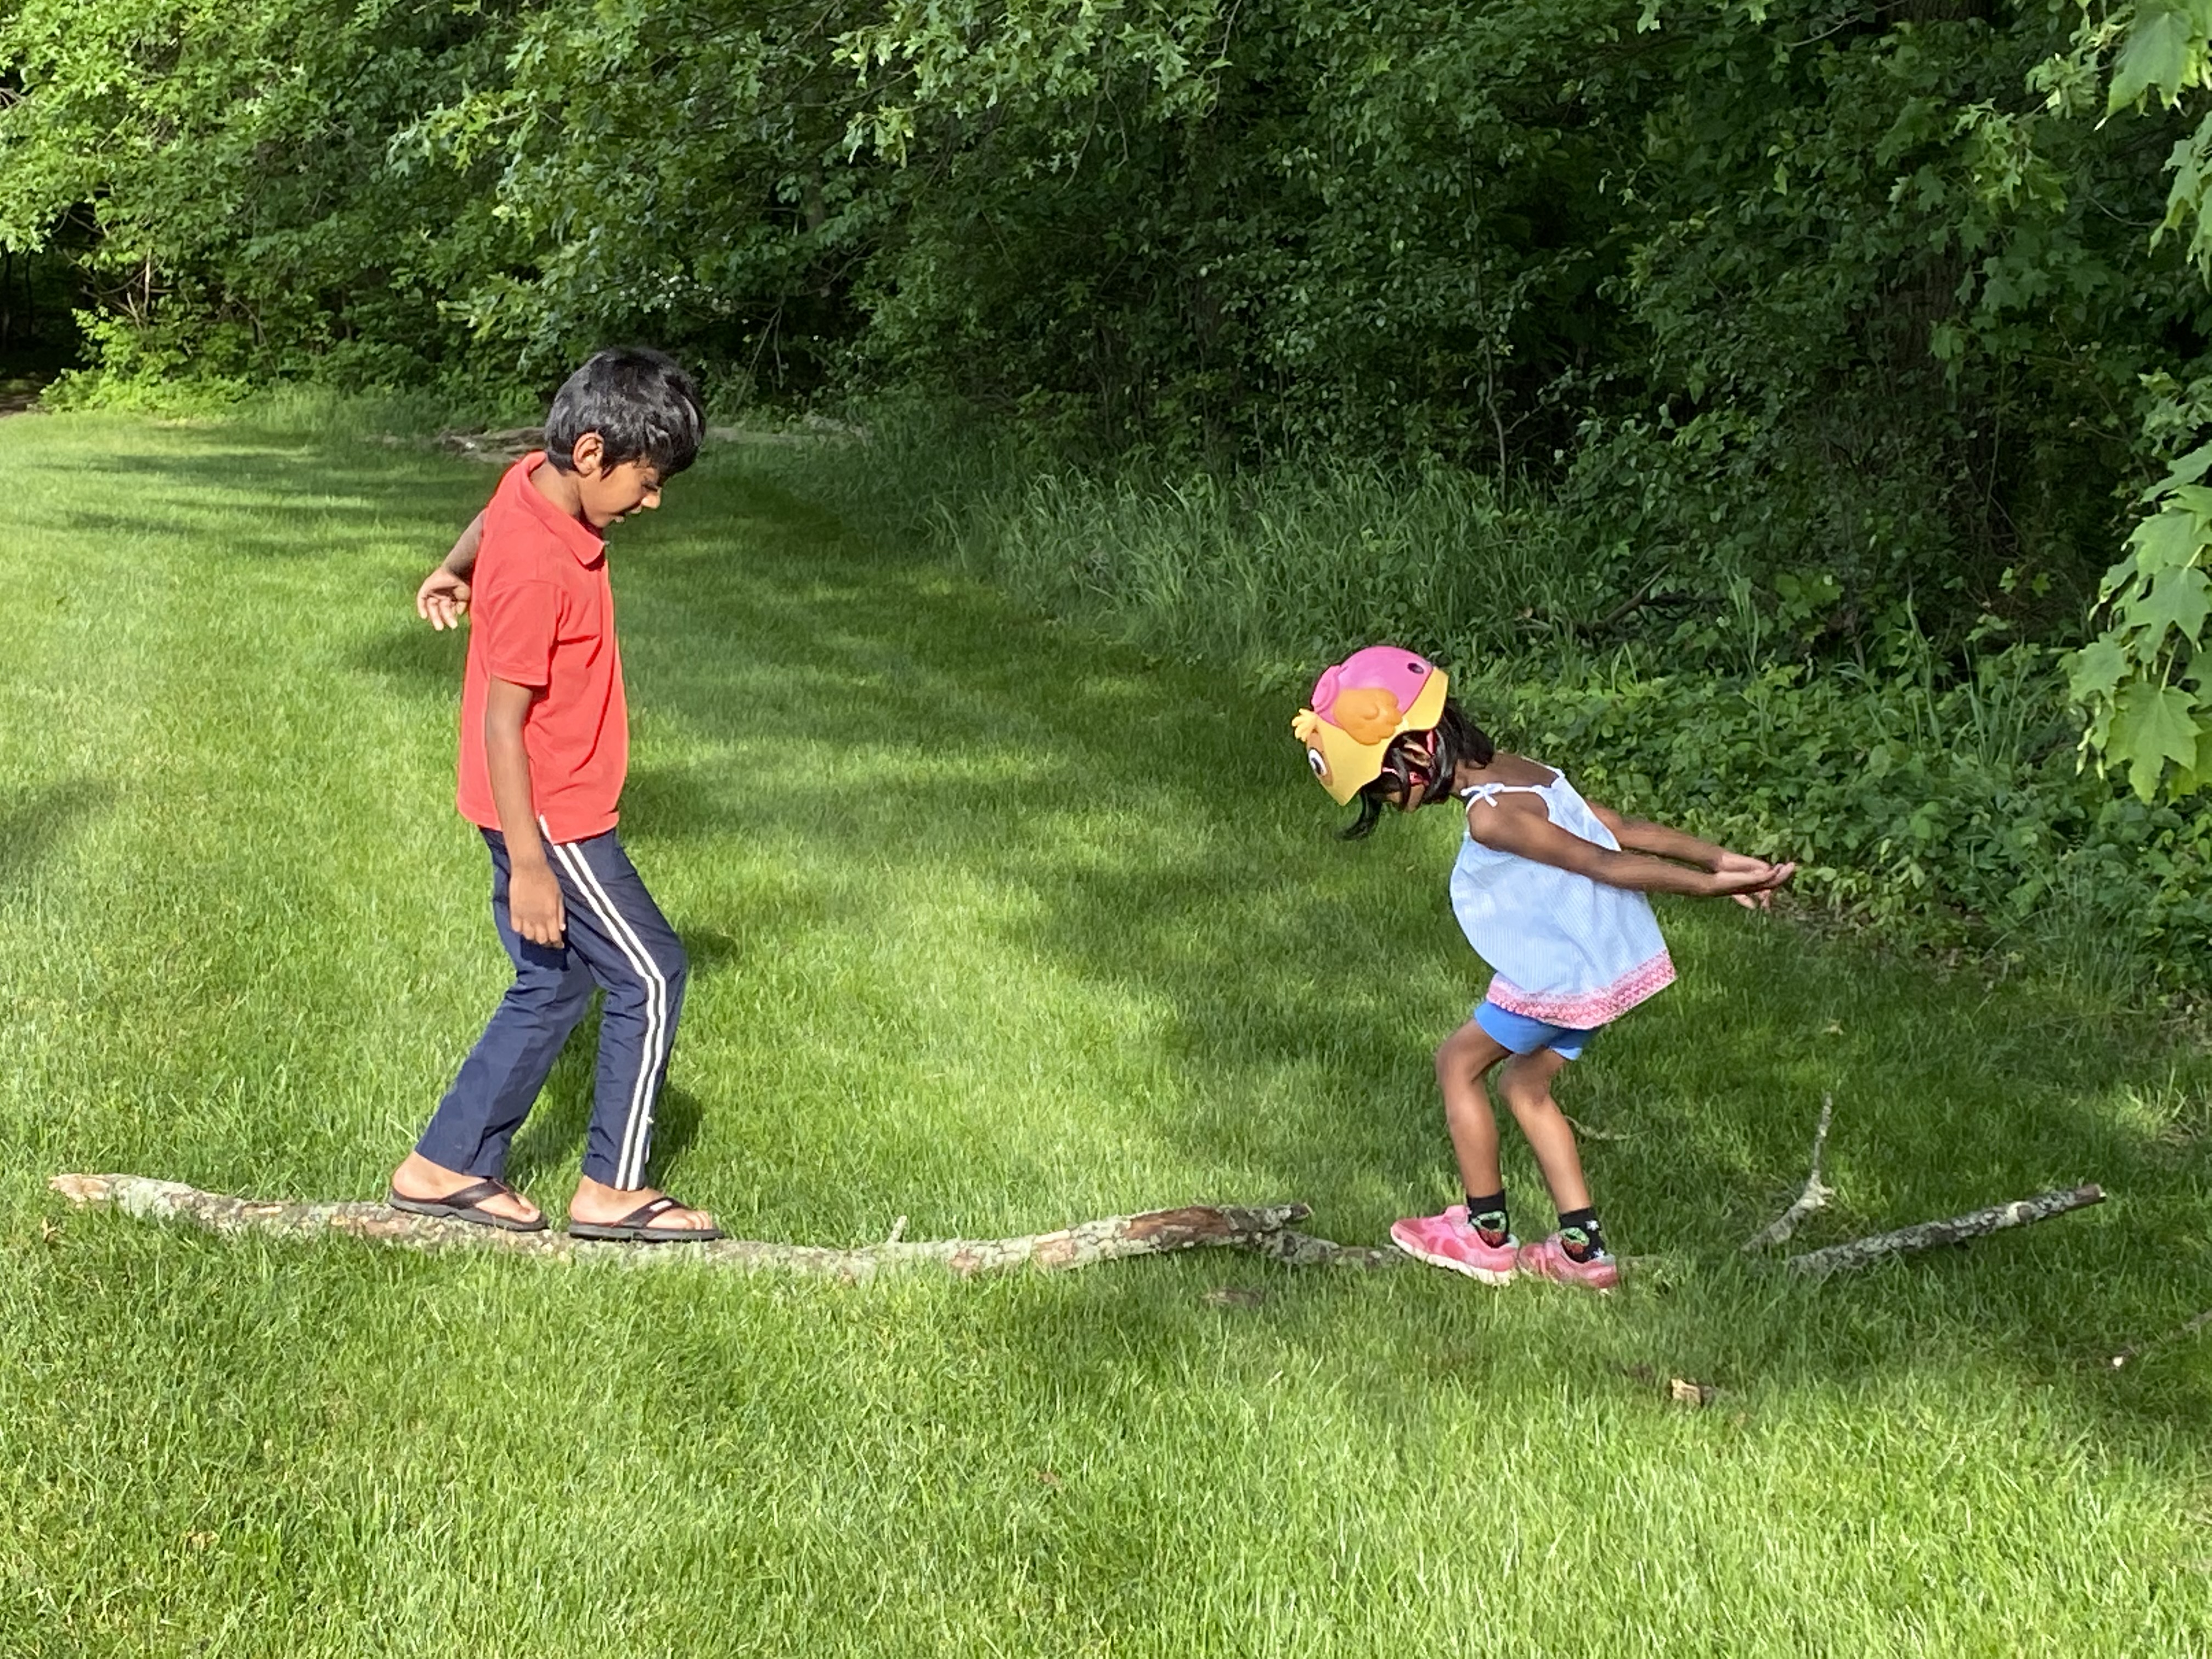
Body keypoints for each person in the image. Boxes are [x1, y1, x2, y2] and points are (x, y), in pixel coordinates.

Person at [1294, 645, 1793, 1289]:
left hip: (1555, 982)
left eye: (1383, 785)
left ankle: (1485, 1235)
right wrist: (1719, 859)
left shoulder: (1490, 817)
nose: (1389, 800)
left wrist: (1710, 887)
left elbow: (1603, 860)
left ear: (1416, 751)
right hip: (1598, 976)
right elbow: (1619, 825)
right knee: (1524, 1088)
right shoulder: (1522, 769)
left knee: (1457, 1064)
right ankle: (1582, 1253)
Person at [387, 347, 723, 1243]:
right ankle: (613, 1187)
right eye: (646, 483)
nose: (651, 502)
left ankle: (444, 1164)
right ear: (589, 454)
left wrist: (448, 566)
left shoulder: (531, 485)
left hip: (520, 808)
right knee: (651, 975)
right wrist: (534, 866)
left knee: (553, 981)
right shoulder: (543, 565)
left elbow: (489, 518)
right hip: (554, 815)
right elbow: (505, 723)